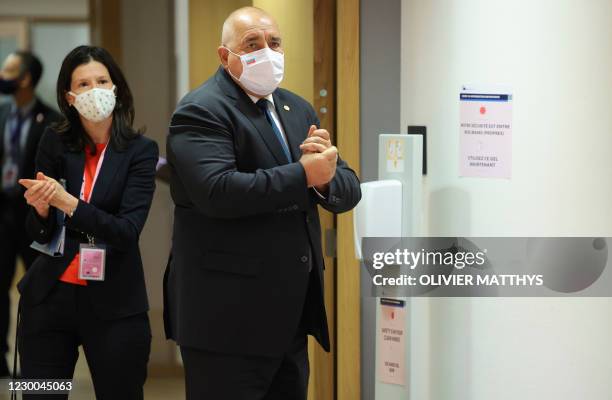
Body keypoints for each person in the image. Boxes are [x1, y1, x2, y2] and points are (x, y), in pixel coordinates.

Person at [164, 6, 361, 400]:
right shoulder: (201, 110)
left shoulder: (296, 107)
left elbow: (346, 185)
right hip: (226, 321)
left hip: (288, 316)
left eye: (274, 43)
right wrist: (305, 175)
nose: (266, 53)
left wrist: (324, 180)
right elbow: (218, 192)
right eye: (252, 44)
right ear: (226, 56)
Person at [16, 45, 157, 399]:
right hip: (49, 298)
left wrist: (68, 203)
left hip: (115, 303)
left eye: (101, 80)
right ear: (69, 96)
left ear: (116, 89)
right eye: (82, 84)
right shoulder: (54, 140)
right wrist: (42, 211)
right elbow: (36, 232)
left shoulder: (141, 151)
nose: (93, 89)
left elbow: (126, 232)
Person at [0, 51, 61, 376]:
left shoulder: (50, 120)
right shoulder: (2, 113)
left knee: (35, 285)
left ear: (25, 78)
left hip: (33, 213)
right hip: (1, 211)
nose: (2, 75)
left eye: (8, 70)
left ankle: (34, 359)